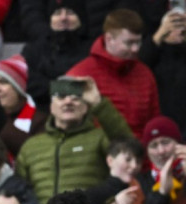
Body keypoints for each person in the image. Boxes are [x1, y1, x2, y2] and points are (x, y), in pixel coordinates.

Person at [16, 77, 132, 204]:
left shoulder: (100, 138)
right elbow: (20, 190)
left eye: (76, 98)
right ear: (51, 106)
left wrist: (98, 103)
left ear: (86, 107)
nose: (68, 101)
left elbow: (129, 148)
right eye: (61, 97)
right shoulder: (31, 146)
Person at [66, 9, 159, 138]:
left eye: (138, 42)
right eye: (129, 43)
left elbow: (154, 122)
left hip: (140, 148)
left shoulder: (145, 74)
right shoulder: (79, 75)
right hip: (99, 147)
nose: (135, 49)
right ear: (109, 39)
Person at [0, 55, 47, 158]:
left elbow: (35, 154)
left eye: (3, 82)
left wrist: (2, 125)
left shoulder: (39, 120)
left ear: (18, 88)